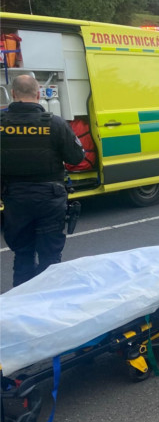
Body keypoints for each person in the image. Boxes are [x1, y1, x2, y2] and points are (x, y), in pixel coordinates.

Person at [1, 75, 85, 286]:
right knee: (50, 258)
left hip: (15, 198)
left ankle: (21, 304)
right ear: (38, 94)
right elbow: (77, 157)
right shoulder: (55, 123)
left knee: (23, 254)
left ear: (13, 94)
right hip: (50, 199)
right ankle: (48, 303)